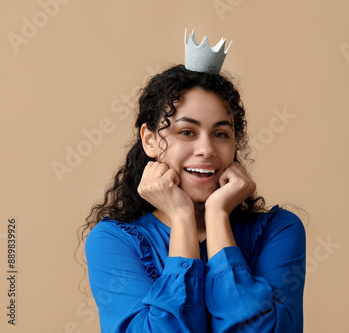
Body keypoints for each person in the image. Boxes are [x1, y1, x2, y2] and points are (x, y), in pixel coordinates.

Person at [82, 63, 306, 332]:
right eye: (187, 132)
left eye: (220, 134)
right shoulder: (112, 242)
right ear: (149, 140)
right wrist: (181, 216)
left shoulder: (279, 230)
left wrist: (217, 215)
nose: (206, 149)